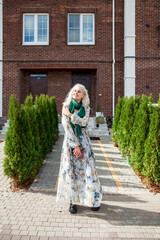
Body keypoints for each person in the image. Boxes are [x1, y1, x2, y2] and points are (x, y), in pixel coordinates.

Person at [56, 84, 102, 214]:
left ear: (83, 95)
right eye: (74, 90)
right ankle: (73, 202)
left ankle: (93, 200)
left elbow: (84, 123)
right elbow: (66, 126)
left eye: (79, 91)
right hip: (70, 143)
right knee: (72, 171)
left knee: (90, 170)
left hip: (85, 142)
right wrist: (75, 145)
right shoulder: (65, 106)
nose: (76, 92)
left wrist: (71, 115)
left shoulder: (86, 108)